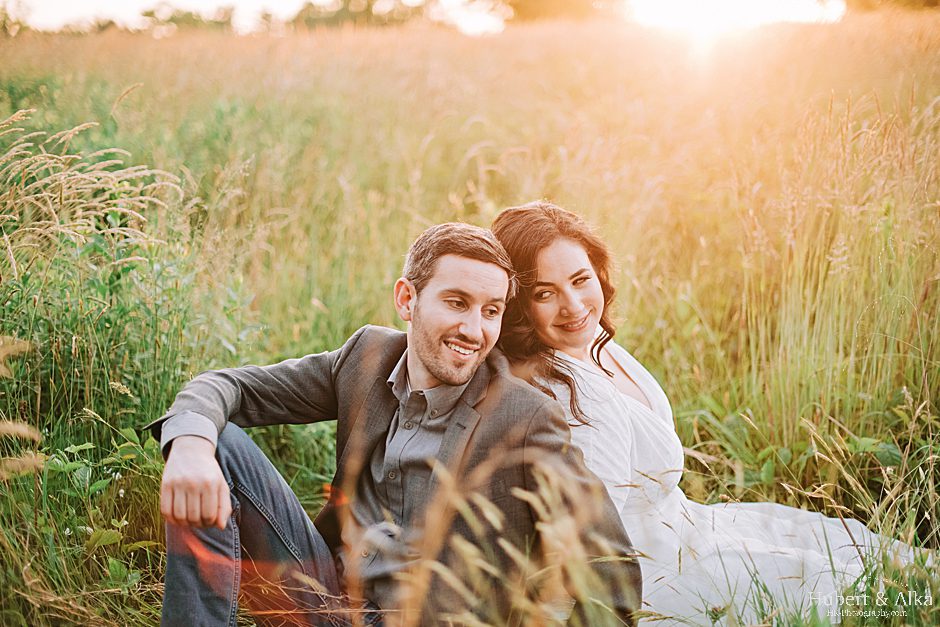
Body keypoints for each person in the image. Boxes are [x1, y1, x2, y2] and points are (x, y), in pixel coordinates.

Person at [146, 222, 642, 626]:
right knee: (216, 441)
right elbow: (231, 387)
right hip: (322, 597)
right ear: (407, 299)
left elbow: (611, 568)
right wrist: (189, 447)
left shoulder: (524, 416)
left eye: (491, 311)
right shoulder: (367, 357)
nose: (474, 330)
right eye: (456, 303)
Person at [491, 202, 924, 625]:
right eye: (544, 293)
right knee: (850, 587)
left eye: (580, 279)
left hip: (689, 527)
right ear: (518, 305)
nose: (573, 304)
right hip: (653, 573)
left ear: (598, 273)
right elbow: (590, 545)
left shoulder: (590, 343)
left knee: (854, 554)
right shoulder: (571, 396)